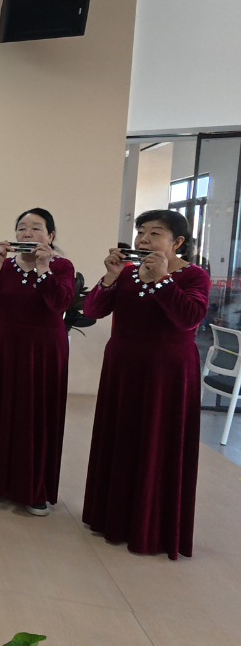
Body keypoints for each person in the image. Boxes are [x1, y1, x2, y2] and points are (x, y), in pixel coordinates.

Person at [82, 210, 210, 559]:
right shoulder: (126, 272)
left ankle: (149, 527)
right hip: (123, 368)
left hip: (167, 372)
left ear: (177, 242)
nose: (144, 240)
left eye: (155, 233)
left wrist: (163, 279)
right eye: (141, 232)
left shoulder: (193, 275)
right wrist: (110, 277)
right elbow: (92, 311)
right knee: (121, 437)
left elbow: (189, 318)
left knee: (156, 441)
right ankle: (112, 518)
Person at [0, 208, 75, 516]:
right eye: (22, 228)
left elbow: (60, 302)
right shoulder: (5, 265)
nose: (27, 233)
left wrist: (43, 268)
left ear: (50, 236)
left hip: (44, 352)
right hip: (5, 348)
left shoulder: (62, 266)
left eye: (36, 228)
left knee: (37, 413)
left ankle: (35, 489)